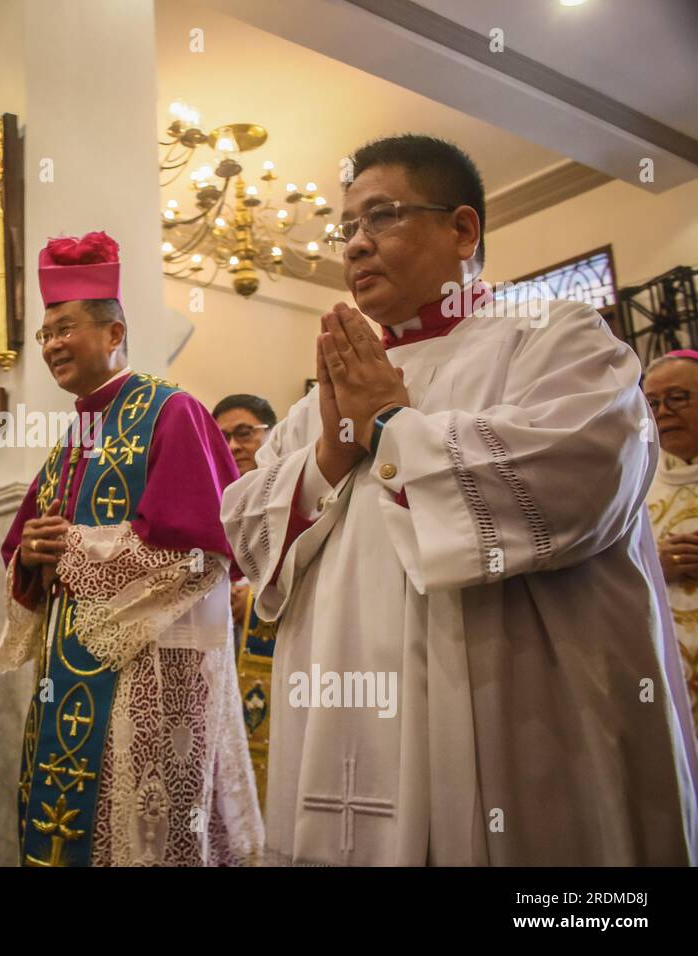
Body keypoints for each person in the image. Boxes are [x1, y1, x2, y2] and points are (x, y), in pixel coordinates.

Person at [222, 133, 698, 865]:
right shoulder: (325, 394)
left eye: (381, 216)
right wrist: (330, 454)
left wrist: (389, 425)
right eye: (346, 226)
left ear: (462, 229)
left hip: (519, 729)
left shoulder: (554, 340)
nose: (354, 245)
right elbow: (245, 525)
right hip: (343, 718)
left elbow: (586, 474)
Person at [0, 232, 264, 867]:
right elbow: (28, 549)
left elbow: (199, 555)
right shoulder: (72, 437)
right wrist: (33, 555)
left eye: (64, 328)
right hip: (73, 668)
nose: (51, 344)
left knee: (145, 833)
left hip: (155, 669)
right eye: (44, 335)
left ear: (113, 333)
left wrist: (72, 550)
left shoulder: (173, 412)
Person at [213, 393, 277, 817]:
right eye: (222, 439)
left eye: (244, 433)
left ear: (271, 434)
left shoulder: (291, 491)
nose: (234, 446)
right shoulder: (208, 500)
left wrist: (251, 600)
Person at [643, 349, 698, 731]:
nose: (663, 412)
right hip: (669, 665)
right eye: (652, 402)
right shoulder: (633, 482)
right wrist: (653, 564)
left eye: (677, 397)